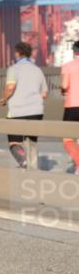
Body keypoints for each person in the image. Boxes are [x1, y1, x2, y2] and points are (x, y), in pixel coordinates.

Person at [1, 41, 48, 168]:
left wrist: (4, 99)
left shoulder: (13, 69)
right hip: (37, 111)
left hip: (18, 112)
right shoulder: (38, 70)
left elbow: (10, 87)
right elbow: (44, 94)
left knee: (14, 142)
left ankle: (24, 161)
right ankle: (33, 166)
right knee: (32, 141)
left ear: (17, 53)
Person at [60, 40, 79, 174]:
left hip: (72, 105)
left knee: (67, 138)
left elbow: (65, 85)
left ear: (74, 51)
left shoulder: (68, 66)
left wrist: (62, 90)